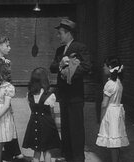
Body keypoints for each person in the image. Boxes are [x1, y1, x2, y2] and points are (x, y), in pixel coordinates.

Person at [50, 19, 91, 162]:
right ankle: (67, 156)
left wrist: (69, 72)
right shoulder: (60, 50)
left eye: (60, 33)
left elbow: (86, 67)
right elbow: (52, 67)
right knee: (66, 127)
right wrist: (61, 64)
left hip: (75, 96)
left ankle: (78, 158)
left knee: (76, 128)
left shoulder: (80, 47)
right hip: (64, 96)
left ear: (68, 33)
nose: (58, 36)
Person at [22, 67, 61, 162]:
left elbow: (32, 108)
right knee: (47, 151)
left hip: (33, 123)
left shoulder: (29, 95)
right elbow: (52, 112)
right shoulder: (50, 96)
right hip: (46, 124)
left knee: (36, 151)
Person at [96, 56, 129, 162]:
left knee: (113, 141)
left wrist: (101, 118)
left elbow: (104, 104)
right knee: (116, 139)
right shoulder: (119, 82)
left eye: (104, 66)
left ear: (109, 67)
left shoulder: (110, 84)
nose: (103, 68)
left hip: (110, 113)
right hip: (117, 111)